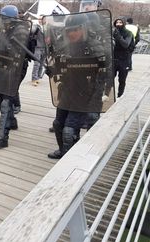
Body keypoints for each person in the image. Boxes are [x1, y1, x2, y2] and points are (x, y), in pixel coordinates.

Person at [46, 13, 110, 159]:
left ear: (84, 29)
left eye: (75, 29)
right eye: (69, 30)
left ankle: (70, 161)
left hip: (85, 94)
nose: (71, 33)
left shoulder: (96, 47)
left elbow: (102, 77)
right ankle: (64, 151)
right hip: (68, 90)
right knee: (58, 125)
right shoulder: (65, 46)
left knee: (69, 131)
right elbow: (61, 67)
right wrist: (52, 70)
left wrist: (94, 101)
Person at [0, 5, 31, 149]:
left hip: (17, 67)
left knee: (6, 99)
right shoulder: (5, 28)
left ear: (12, 18)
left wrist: (2, 44)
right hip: (4, 64)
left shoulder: (21, 30)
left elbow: (16, 52)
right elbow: (0, 46)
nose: (3, 21)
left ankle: (3, 137)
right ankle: (12, 121)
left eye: (5, 19)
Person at [113, 17, 134, 98]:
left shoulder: (128, 33)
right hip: (114, 58)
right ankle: (108, 95)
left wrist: (119, 37)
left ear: (123, 23)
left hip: (124, 59)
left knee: (122, 79)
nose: (118, 24)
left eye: (120, 22)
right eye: (117, 23)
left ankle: (120, 95)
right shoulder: (113, 32)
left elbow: (126, 44)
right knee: (110, 78)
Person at [31, 16, 46, 86]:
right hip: (37, 47)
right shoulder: (36, 26)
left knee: (42, 63)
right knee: (36, 63)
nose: (39, 20)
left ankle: (38, 77)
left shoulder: (47, 27)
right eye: (39, 19)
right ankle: (34, 78)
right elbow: (31, 30)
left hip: (45, 48)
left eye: (41, 19)